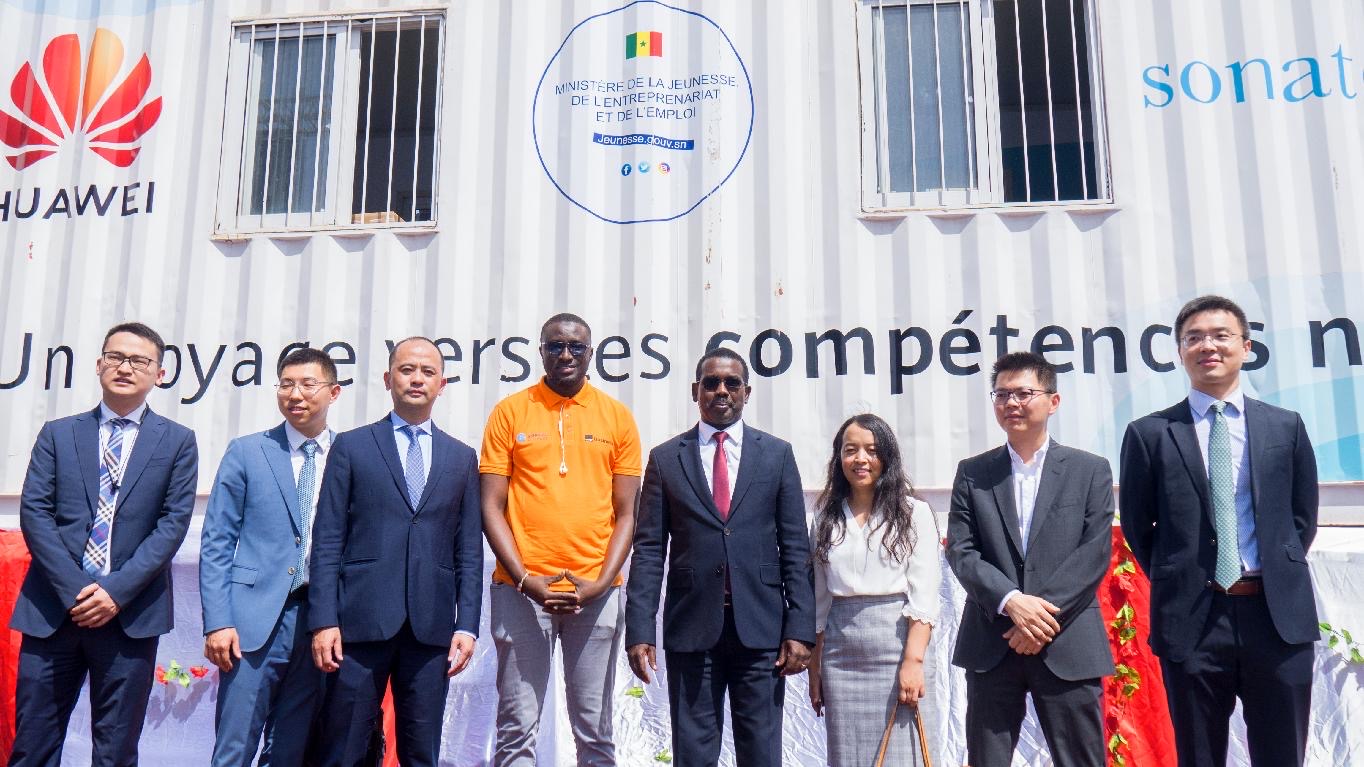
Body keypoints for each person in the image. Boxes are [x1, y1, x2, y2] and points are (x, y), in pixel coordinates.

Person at [1119, 295, 1318, 767]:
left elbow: (1300, 519)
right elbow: (1139, 527)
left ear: (1246, 347)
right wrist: (1182, 575)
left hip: (1276, 618)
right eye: (1194, 338)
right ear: (1180, 351)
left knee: (1282, 754)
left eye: (1221, 336)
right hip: (1193, 619)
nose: (1207, 346)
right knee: (1199, 756)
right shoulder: (1150, 433)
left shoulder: (1285, 427)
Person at [8, 322, 199, 766]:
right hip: (54, 610)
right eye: (116, 357)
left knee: (115, 751)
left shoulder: (177, 441)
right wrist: (77, 590)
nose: (125, 367)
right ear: (98, 365)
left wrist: (114, 592)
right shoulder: (59, 433)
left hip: (129, 615)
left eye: (139, 360)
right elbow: (35, 513)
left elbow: (172, 525)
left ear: (159, 373)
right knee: (33, 746)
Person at [625, 348, 815, 767]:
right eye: (711, 383)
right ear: (696, 391)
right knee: (693, 756)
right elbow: (650, 550)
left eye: (732, 383)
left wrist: (801, 628)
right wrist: (639, 630)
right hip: (692, 628)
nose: (722, 391)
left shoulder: (776, 455)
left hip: (762, 630)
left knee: (761, 754)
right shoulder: (665, 459)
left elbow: (795, 547)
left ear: (747, 392)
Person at [307, 337, 482, 767]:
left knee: (421, 752)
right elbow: (327, 539)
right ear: (388, 379)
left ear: (442, 384)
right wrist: (324, 620)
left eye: (427, 371)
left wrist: (467, 624)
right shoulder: (352, 446)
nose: (417, 378)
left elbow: (468, 550)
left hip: (431, 628)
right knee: (344, 749)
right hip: (359, 624)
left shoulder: (461, 457)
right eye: (407, 370)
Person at [479, 313, 642, 766]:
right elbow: (491, 506)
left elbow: (628, 513)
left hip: (595, 593)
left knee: (595, 733)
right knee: (516, 731)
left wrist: (602, 582)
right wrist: (525, 578)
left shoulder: (616, 417)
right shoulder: (511, 412)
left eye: (575, 347)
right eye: (555, 346)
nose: (565, 354)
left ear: (591, 354)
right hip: (520, 592)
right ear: (541, 352)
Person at [946, 351, 1115, 767]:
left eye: (1023, 393)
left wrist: (1038, 618)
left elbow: (1093, 552)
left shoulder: (1089, 469)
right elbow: (962, 550)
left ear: (1053, 401)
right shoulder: (973, 472)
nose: (1012, 403)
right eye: (1002, 394)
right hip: (993, 640)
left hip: (1067, 640)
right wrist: (1011, 602)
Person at [199, 347, 342, 766]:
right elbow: (217, 541)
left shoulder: (348, 455)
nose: (295, 394)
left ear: (333, 392)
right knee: (234, 747)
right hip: (252, 621)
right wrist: (218, 621)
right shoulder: (248, 451)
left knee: (289, 749)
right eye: (286, 384)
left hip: (319, 621)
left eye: (308, 384)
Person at [807, 414, 941, 766]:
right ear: (839, 457)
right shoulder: (825, 516)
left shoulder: (914, 513)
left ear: (887, 456)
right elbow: (819, 598)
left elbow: (924, 595)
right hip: (840, 656)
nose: (861, 459)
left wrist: (913, 662)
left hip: (898, 647)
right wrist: (815, 666)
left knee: (905, 755)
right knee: (848, 756)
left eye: (872, 450)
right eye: (850, 450)